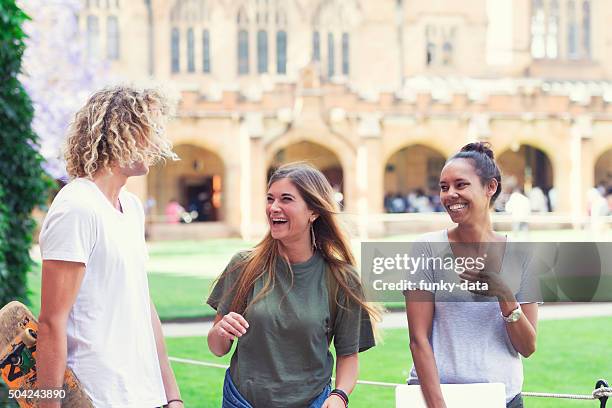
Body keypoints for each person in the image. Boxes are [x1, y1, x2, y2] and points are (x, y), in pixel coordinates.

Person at [37, 86, 183, 408]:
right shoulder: (76, 207)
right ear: (121, 131)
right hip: (96, 396)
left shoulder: (130, 207)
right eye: (151, 129)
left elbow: (144, 306)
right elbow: (51, 322)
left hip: (144, 395)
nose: (159, 141)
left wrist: (172, 395)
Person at [207, 162, 378, 408]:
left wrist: (339, 396)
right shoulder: (243, 265)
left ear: (313, 212)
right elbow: (217, 348)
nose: (273, 208)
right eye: (270, 199)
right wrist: (221, 330)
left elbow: (348, 356)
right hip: (242, 401)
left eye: (286, 199)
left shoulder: (342, 278)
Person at [404, 142, 539, 408]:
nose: (450, 194)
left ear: (491, 187)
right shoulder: (427, 248)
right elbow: (418, 340)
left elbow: (528, 347)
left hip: (503, 399)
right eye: (444, 187)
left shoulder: (521, 254)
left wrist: (504, 293)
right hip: (438, 398)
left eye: (461, 185)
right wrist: (437, 405)